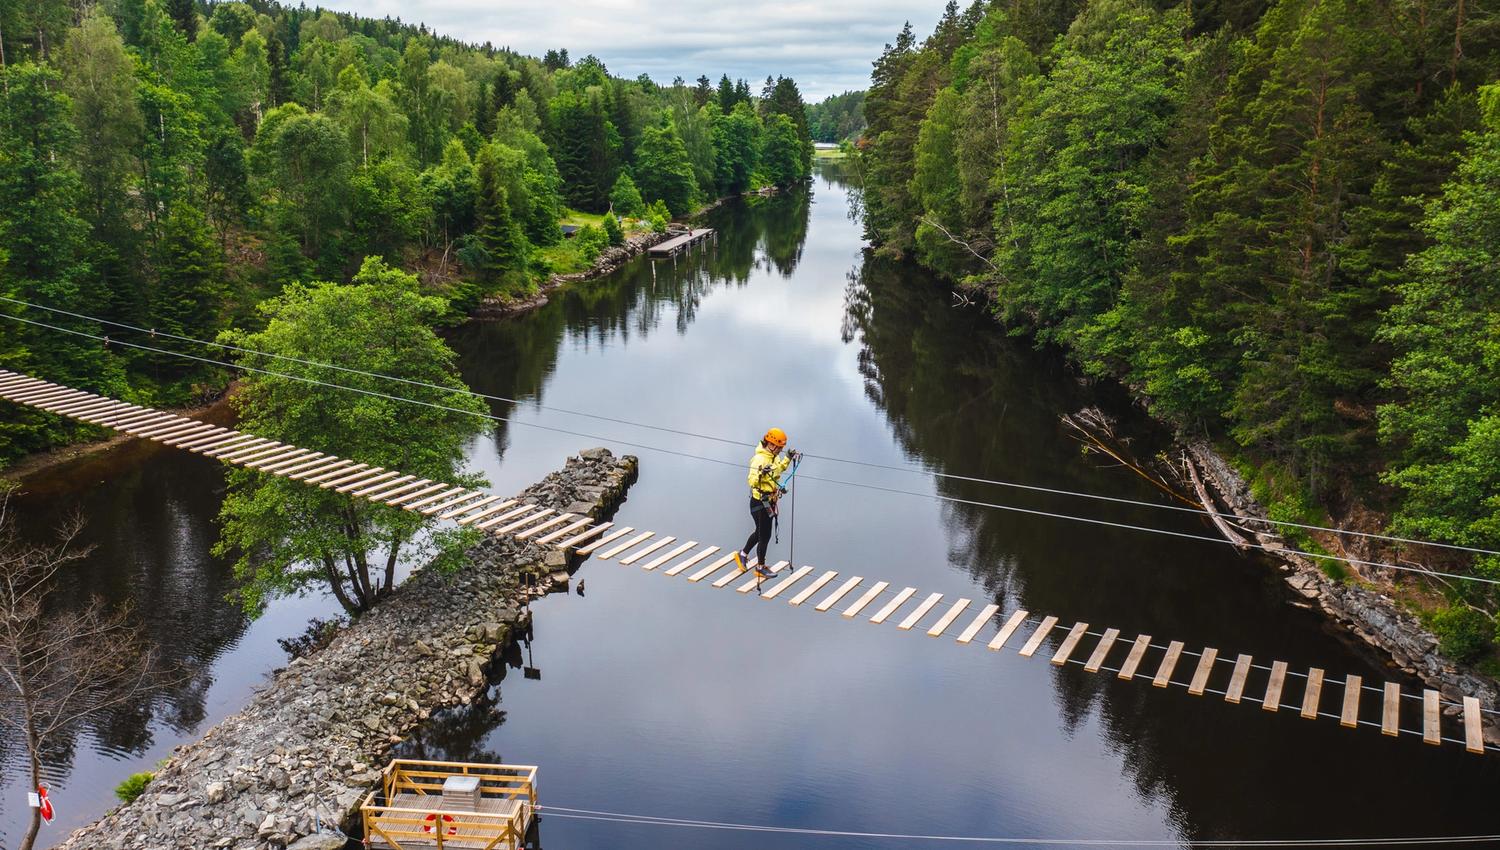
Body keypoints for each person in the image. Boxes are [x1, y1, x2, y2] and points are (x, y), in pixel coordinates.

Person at [734, 427, 800, 577]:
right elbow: (752, 481)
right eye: (780, 448)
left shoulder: (773, 457)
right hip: (759, 502)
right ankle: (760, 567)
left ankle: (742, 555)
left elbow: (779, 469)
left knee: (760, 532)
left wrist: (788, 458)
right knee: (765, 535)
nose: (780, 451)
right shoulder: (759, 459)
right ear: (771, 444)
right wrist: (761, 472)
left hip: (769, 501)